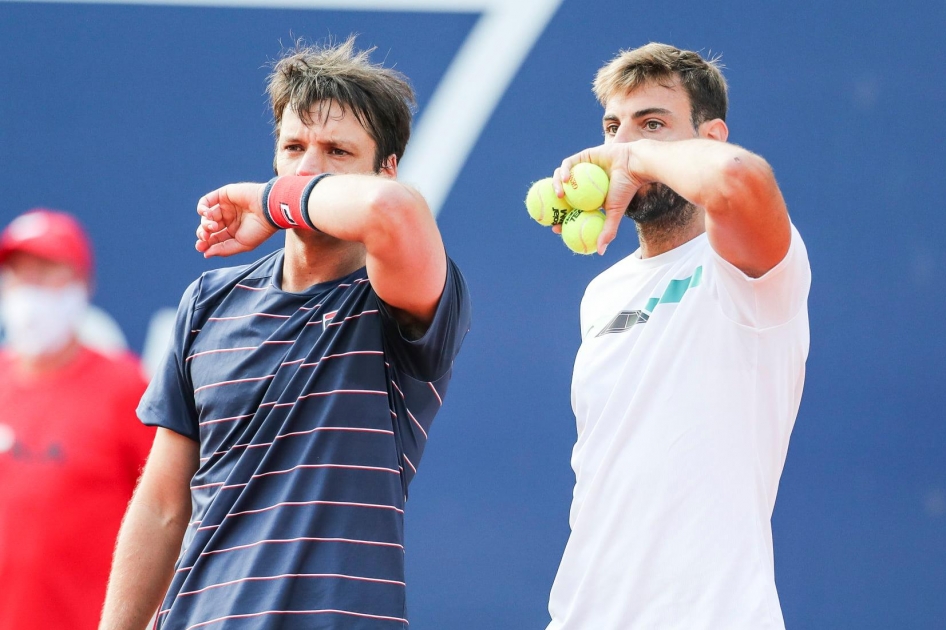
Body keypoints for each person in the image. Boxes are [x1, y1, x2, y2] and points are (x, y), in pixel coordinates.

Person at [99, 37, 472, 630]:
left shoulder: (398, 294)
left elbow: (393, 213)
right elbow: (164, 506)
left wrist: (270, 203)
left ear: (387, 168)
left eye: (337, 151)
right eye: (293, 147)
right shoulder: (209, 301)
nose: (307, 167)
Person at [544, 43, 810, 629]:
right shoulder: (603, 293)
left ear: (710, 139)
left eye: (653, 124)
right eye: (613, 128)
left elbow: (738, 180)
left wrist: (636, 156)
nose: (622, 147)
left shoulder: (746, 268)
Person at [0, 209, 154, 629]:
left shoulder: (126, 389)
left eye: (46, 273)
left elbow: (167, 513)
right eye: (19, 274)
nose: (29, 291)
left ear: (81, 285)